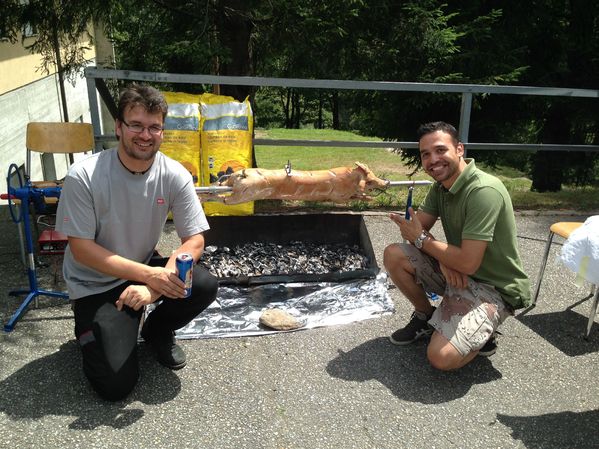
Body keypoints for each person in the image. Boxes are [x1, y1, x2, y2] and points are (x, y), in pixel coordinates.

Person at [56, 84, 218, 401]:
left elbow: (194, 241)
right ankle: (91, 329)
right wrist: (151, 276)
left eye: (154, 127)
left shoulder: (174, 174)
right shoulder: (84, 175)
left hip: (140, 270)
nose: (145, 134)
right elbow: (82, 249)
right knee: (115, 387)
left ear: (162, 131)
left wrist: (153, 287)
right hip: (95, 283)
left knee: (202, 284)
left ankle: (155, 331)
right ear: (118, 127)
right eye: (136, 125)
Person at [383, 121, 531, 371]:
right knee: (394, 255)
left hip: (493, 287)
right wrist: (442, 258)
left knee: (441, 358)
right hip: (457, 270)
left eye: (440, 150)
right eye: (425, 154)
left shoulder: (483, 191)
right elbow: (415, 231)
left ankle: (482, 330)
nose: (433, 160)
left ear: (460, 149)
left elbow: (464, 260)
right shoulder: (440, 187)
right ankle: (426, 315)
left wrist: (426, 242)